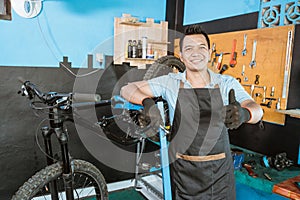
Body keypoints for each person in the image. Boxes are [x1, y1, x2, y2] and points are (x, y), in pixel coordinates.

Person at [120, 24, 263, 199]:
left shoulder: (226, 83)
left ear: (209, 52)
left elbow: (257, 110)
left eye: (201, 47)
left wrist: (244, 113)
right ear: (182, 56)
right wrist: (146, 102)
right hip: (183, 176)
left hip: (219, 179)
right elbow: (126, 89)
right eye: (189, 48)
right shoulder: (170, 82)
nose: (196, 53)